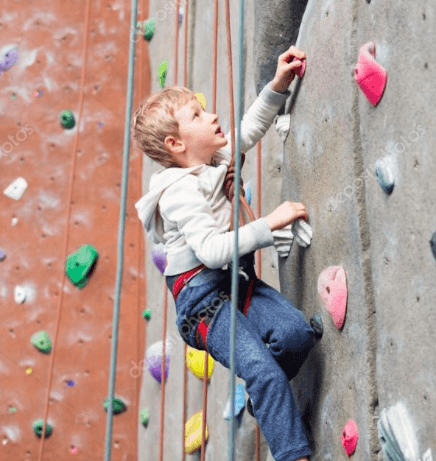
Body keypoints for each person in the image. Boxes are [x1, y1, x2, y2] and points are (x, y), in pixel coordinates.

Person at [133, 46, 321, 461]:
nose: (211, 115)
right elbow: (214, 251)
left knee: (295, 337)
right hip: (204, 305)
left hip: (236, 281)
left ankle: (265, 400)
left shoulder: (210, 160)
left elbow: (249, 129)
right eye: (196, 116)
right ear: (175, 144)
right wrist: (269, 224)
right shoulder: (179, 191)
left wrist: (278, 84)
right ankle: (293, 453)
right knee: (266, 373)